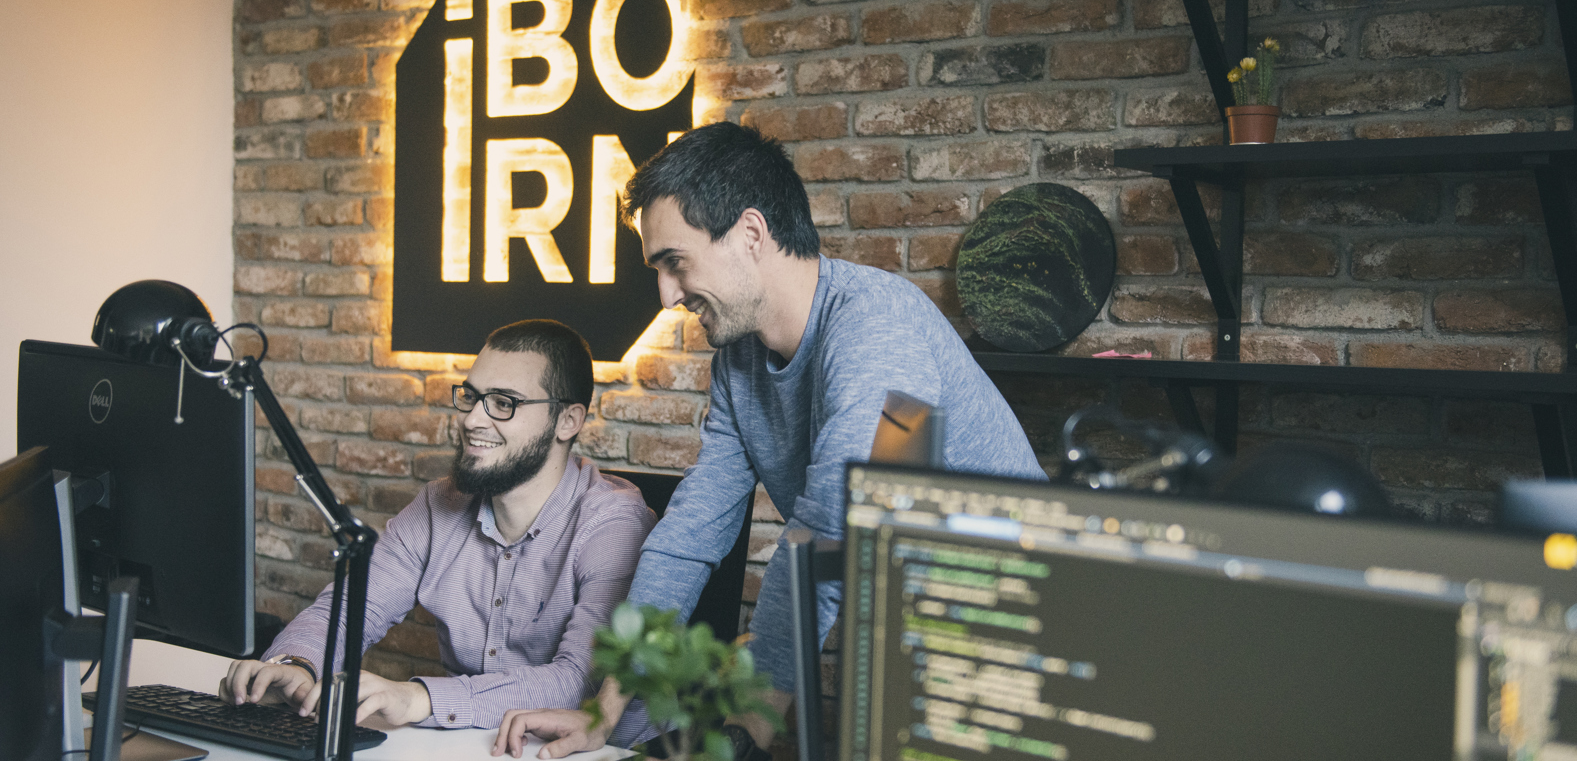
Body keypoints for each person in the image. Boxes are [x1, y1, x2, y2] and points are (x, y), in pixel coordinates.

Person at [493, 123, 1044, 759]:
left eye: (675, 262)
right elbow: (690, 534)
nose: (668, 294)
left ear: (751, 234)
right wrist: (604, 711)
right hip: (909, 635)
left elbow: (827, 531)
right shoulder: (741, 360)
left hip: (1015, 641)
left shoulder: (878, 331)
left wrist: (747, 729)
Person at [221, 319, 656, 729]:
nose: (472, 420)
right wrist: (295, 665)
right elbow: (353, 610)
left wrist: (418, 699)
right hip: (477, 745)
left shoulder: (613, 524)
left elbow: (580, 682)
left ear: (568, 421)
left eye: (504, 403)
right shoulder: (439, 504)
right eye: (470, 397)